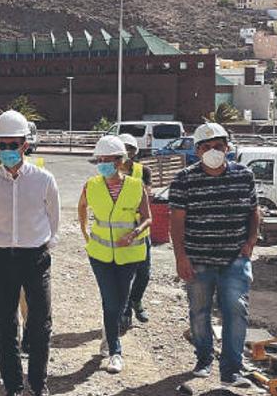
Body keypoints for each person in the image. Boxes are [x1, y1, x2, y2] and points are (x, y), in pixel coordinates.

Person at [0, 110, 59, 396]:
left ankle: (38, 383)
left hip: (35, 258)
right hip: (0, 259)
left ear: (25, 144)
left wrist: (39, 245)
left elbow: (54, 220)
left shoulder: (44, 180)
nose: (8, 150)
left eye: (14, 145)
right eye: (2, 145)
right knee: (5, 325)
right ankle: (13, 386)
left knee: (40, 324)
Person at [170, 123, 259, 388]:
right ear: (197, 151)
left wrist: (251, 241)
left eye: (218, 146)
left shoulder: (244, 175)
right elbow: (177, 223)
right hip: (198, 259)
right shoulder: (183, 179)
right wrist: (181, 257)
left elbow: (253, 211)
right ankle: (204, 359)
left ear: (227, 148)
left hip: (234, 258)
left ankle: (231, 369)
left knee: (236, 310)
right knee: (199, 311)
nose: (213, 151)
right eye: (206, 147)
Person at [77, 135, 151, 374]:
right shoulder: (92, 184)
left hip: (129, 255)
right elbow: (81, 207)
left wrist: (135, 232)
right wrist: (86, 233)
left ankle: (108, 335)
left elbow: (148, 217)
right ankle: (115, 351)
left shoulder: (135, 185)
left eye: (109, 160)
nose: (103, 164)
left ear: (120, 161)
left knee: (119, 302)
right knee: (111, 301)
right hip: (99, 255)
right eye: (100, 159)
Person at [0, 146, 45, 353]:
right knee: (8, 298)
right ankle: (14, 340)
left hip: (28, 243)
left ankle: (26, 334)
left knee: (26, 296)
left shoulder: (36, 168)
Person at [117, 133, 153, 330]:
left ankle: (136, 300)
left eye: (129, 149)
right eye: (123, 149)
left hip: (140, 231)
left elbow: (147, 195)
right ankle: (125, 312)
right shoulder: (109, 173)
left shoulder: (142, 171)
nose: (126, 153)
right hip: (120, 232)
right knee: (124, 275)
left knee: (144, 273)